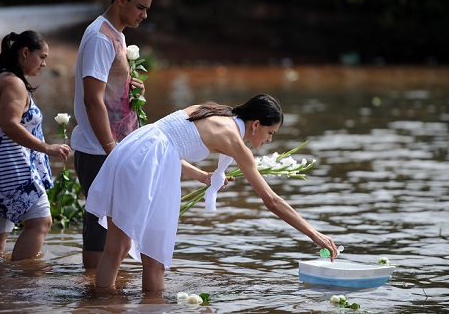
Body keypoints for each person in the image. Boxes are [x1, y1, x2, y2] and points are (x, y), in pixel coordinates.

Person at [85, 93, 338, 291]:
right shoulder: (235, 142)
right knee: (155, 261)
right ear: (256, 124)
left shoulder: (211, 111)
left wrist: (203, 176)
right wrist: (315, 234)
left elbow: (168, 143)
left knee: (116, 248)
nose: (270, 140)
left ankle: (101, 305)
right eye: (270, 133)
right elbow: (271, 201)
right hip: (146, 163)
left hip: (132, 150)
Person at [71, 0, 156, 269]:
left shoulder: (117, 33)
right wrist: (112, 150)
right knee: (101, 223)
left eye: (147, 9)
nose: (144, 15)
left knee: (115, 223)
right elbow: (92, 99)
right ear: (121, 0)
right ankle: (94, 293)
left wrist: (132, 86)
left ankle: (102, 292)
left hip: (114, 146)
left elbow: (110, 86)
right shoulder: (99, 37)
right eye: (140, 7)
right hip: (99, 149)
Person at [0, 30, 71, 261]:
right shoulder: (13, 83)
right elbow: (10, 125)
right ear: (25, 53)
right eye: (42, 57)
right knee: (40, 222)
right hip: (11, 168)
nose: (45, 64)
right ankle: (22, 283)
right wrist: (48, 148)